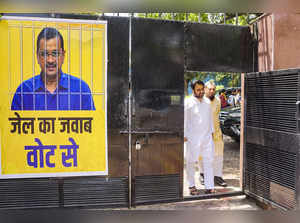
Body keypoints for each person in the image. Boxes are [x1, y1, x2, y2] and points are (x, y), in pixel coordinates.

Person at [11, 27, 95, 110]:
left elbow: (92, 123)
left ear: (63, 55)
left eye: (55, 53)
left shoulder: (80, 89)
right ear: (37, 56)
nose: (50, 60)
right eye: (44, 54)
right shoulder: (24, 91)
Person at [184, 80, 215, 195]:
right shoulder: (188, 102)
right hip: (192, 138)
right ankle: (192, 186)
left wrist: (212, 133)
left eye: (202, 89)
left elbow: (210, 118)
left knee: (208, 161)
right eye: (198, 89)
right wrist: (185, 135)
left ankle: (209, 186)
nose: (201, 91)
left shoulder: (207, 102)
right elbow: (185, 120)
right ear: (193, 90)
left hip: (207, 137)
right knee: (191, 162)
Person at [199, 80, 227, 187]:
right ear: (205, 89)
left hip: (216, 133)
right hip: (203, 133)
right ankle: (202, 174)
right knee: (202, 155)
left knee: (218, 155)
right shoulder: (200, 101)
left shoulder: (218, 101)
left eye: (213, 89)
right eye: (209, 89)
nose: (212, 91)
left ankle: (217, 176)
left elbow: (217, 116)